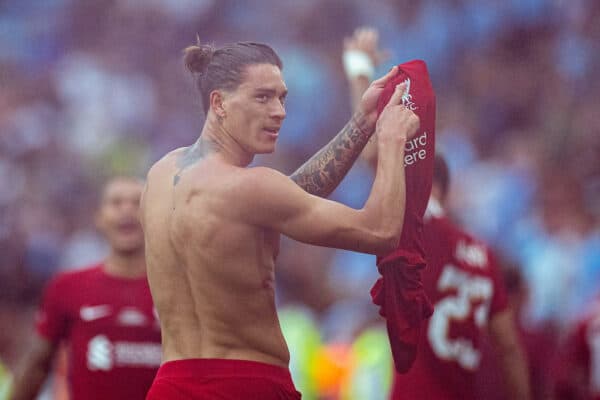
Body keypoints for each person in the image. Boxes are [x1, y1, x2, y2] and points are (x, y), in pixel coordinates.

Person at [141, 38, 419, 399]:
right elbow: (380, 231)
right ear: (219, 103)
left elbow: (282, 199)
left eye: (281, 97)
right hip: (246, 386)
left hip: (170, 386)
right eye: (262, 97)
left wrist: (362, 121)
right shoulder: (252, 188)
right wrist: (392, 140)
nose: (279, 111)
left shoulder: (160, 176)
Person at [344, 27, 531, 400]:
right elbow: (509, 349)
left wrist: (358, 69)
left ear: (429, 184)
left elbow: (375, 154)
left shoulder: (420, 225)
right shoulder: (485, 256)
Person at [11, 176, 161, 400]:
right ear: (99, 218)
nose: (127, 211)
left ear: (153, 216)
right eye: (116, 203)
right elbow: (38, 364)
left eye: (137, 203)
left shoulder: (177, 290)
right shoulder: (67, 286)